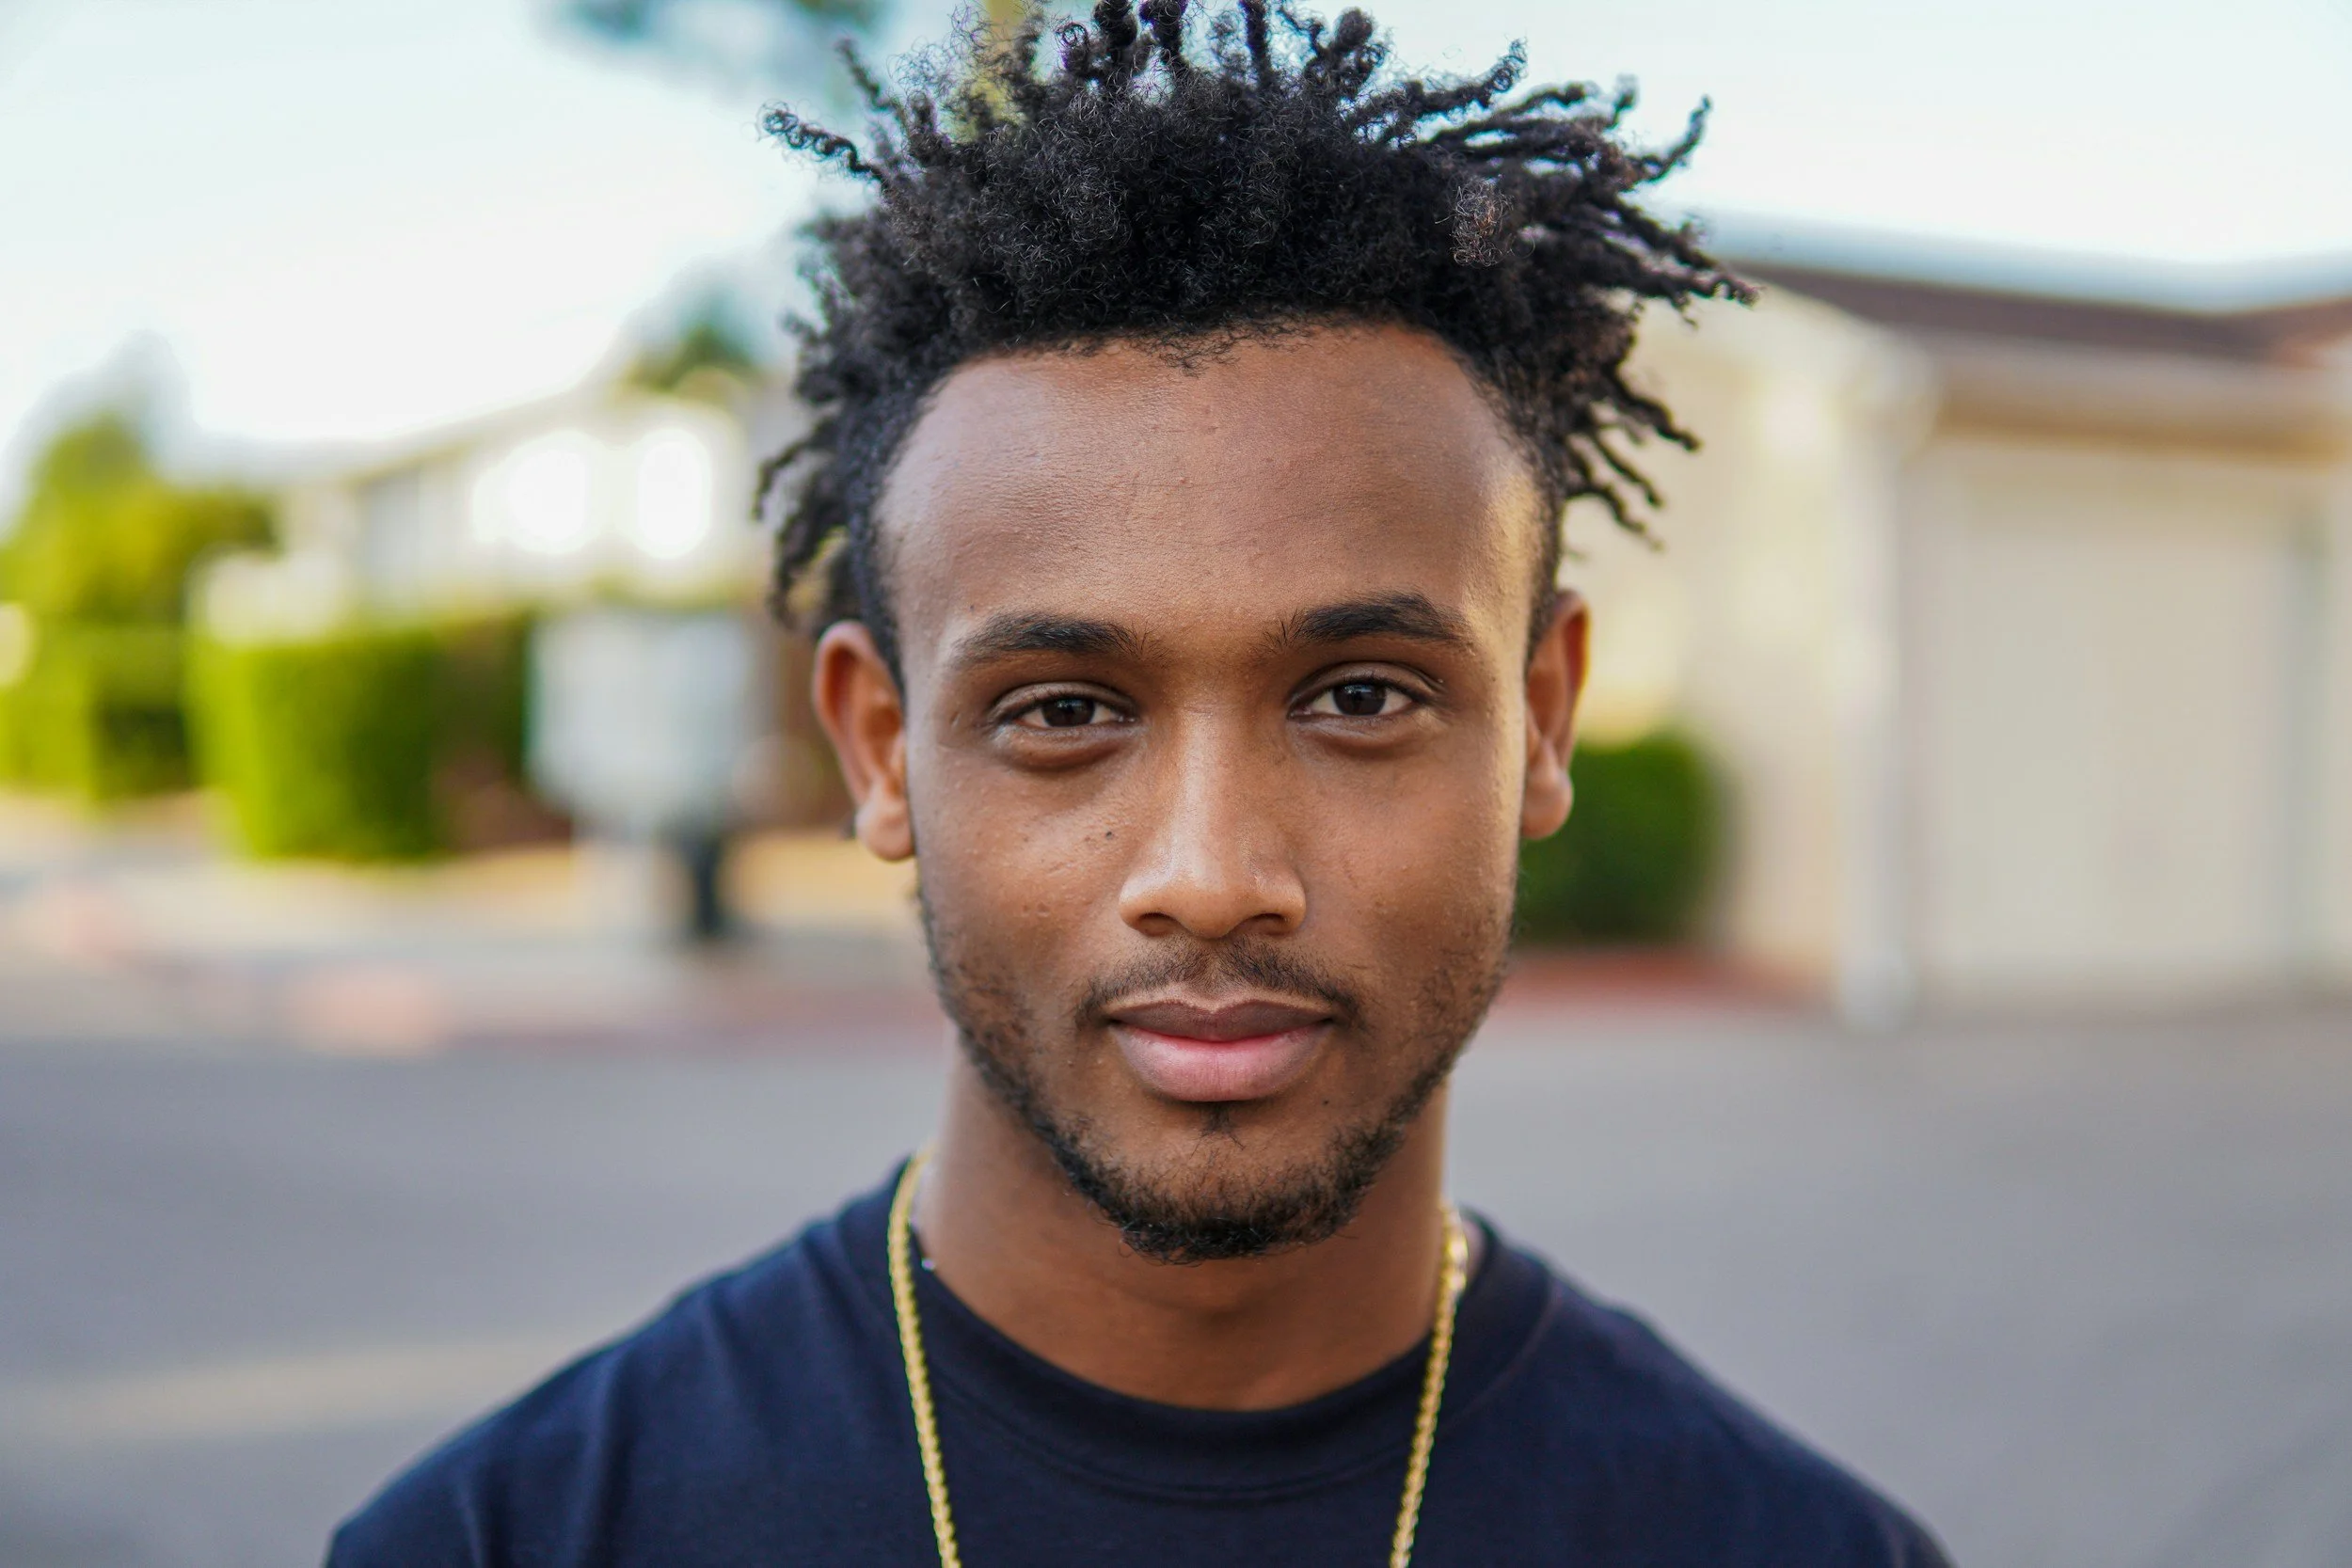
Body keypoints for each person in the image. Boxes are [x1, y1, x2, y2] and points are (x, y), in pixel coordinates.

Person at [328, 3, 1950, 1563]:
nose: (1213, 868)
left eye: (1361, 693)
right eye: (1063, 711)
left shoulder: (1800, 1546)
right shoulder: (513, 1538)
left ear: (1539, 717)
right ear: (881, 752)